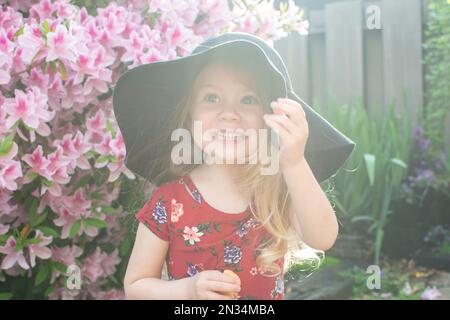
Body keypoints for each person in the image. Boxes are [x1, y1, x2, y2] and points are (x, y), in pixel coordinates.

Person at [113, 32, 356, 300]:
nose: (229, 113)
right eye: (212, 98)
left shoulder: (275, 190)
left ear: (270, 118)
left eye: (248, 99)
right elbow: (136, 286)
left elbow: (323, 238)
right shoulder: (169, 202)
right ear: (189, 111)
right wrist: (188, 290)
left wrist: (295, 162)